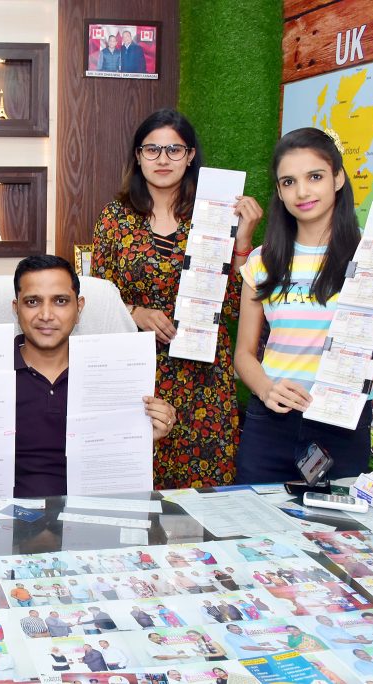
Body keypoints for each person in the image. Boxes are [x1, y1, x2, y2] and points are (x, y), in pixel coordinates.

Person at [235, 127, 373, 482]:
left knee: (332, 520)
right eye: (288, 182)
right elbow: (243, 355)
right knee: (252, 518)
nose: (302, 192)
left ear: (338, 179)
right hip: (269, 424)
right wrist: (266, 388)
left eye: (314, 177)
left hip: (342, 428)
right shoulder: (262, 260)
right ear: (279, 192)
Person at [92, 109, 262, 489]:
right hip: (138, 373)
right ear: (138, 157)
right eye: (152, 149)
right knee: (135, 485)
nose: (163, 159)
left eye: (174, 149)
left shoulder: (216, 215)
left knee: (205, 493)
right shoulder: (114, 219)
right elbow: (97, 298)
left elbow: (236, 305)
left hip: (204, 379)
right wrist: (135, 312)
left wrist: (244, 240)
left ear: (190, 156)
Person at [0, 255, 175, 497]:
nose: (46, 315)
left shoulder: (111, 374)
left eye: (60, 301)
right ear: (16, 308)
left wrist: (143, 436)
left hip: (87, 517)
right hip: (1, 519)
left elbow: (119, 474)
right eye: (32, 302)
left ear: (79, 307)